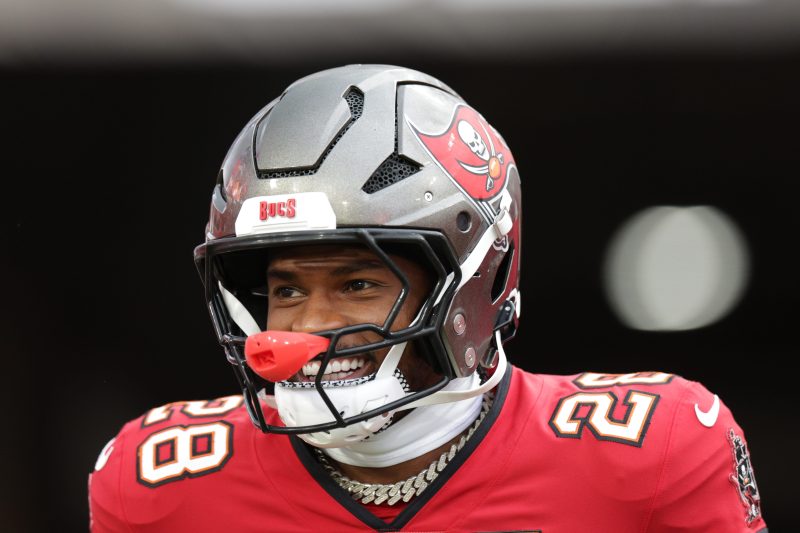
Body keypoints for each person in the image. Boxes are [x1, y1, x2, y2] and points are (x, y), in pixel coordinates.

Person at [88, 65, 766, 532]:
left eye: (358, 284)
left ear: (475, 279)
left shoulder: (652, 454)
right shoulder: (157, 485)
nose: (310, 324)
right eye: (288, 288)